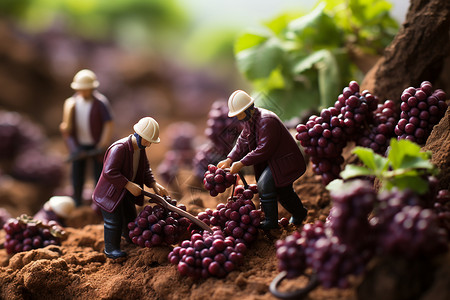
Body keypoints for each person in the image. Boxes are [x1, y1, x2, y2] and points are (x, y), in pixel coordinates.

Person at [218, 90, 307, 229]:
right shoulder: (251, 120)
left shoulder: (266, 121)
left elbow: (264, 150)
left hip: (283, 161)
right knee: (283, 192)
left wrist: (242, 163)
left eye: (238, 113)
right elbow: (243, 141)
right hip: (274, 161)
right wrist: (229, 159)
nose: (237, 117)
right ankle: (299, 213)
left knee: (266, 185)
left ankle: (271, 221)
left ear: (247, 109)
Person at [92, 117, 168, 259]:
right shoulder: (119, 149)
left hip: (125, 192)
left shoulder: (140, 149)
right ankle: (111, 249)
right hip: (110, 193)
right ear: (139, 135)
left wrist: (153, 184)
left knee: (130, 217)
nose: (149, 144)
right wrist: (127, 184)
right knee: (113, 221)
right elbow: (109, 172)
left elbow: (145, 169)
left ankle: (129, 239)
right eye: (148, 140)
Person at [60, 69, 114, 206]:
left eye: (86, 89)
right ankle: (77, 201)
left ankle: (98, 202)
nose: (83, 92)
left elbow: (108, 123)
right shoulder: (71, 104)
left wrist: (103, 142)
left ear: (92, 88)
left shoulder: (100, 103)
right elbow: (67, 128)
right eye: (81, 89)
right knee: (77, 175)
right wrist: (73, 147)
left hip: (96, 145)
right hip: (79, 146)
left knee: (99, 175)